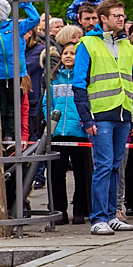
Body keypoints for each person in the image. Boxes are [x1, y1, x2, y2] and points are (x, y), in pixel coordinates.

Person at [73, 0, 133, 235]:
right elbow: (78, 84)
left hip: (122, 113)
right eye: (116, 15)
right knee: (103, 165)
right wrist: (87, 118)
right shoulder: (87, 44)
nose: (122, 19)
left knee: (114, 166)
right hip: (100, 114)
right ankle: (99, 217)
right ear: (104, 18)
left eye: (122, 15)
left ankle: (111, 214)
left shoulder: (127, 46)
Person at [49, 41, 92, 225]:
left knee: (81, 173)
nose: (68, 56)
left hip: (79, 132)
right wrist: (51, 123)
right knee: (57, 173)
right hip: (58, 132)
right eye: (65, 53)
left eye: (73, 53)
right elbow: (47, 103)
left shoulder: (83, 78)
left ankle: (80, 210)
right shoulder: (54, 78)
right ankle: (60, 211)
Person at [0, 0, 40, 141]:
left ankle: (10, 135)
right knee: (0, 106)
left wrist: (26, 5)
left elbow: (35, 19)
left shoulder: (15, 26)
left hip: (16, 74)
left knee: (13, 106)